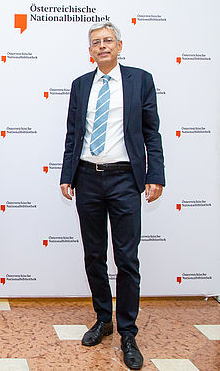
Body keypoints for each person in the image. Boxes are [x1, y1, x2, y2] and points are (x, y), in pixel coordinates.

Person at [60, 22, 165, 370]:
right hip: (87, 178)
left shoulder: (140, 80)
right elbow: (73, 132)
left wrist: (155, 175)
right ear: (89, 51)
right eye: (95, 43)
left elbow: (152, 132)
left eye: (107, 41)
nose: (101, 46)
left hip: (124, 179)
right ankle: (104, 319)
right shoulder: (80, 85)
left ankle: (128, 333)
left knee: (126, 259)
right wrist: (67, 175)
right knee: (94, 256)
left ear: (120, 45)